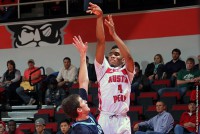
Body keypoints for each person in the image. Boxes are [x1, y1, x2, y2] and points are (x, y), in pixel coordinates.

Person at [87, 3, 134, 133]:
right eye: (111, 54)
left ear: (122, 59)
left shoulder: (128, 71)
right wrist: (99, 18)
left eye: (116, 54)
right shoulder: (102, 69)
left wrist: (114, 34)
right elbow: (101, 41)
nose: (112, 56)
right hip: (105, 118)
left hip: (122, 119)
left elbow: (129, 57)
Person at [61, 36, 103, 134]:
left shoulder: (85, 115)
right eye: (82, 101)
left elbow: (83, 82)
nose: (85, 101)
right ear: (79, 110)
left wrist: (83, 55)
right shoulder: (81, 130)